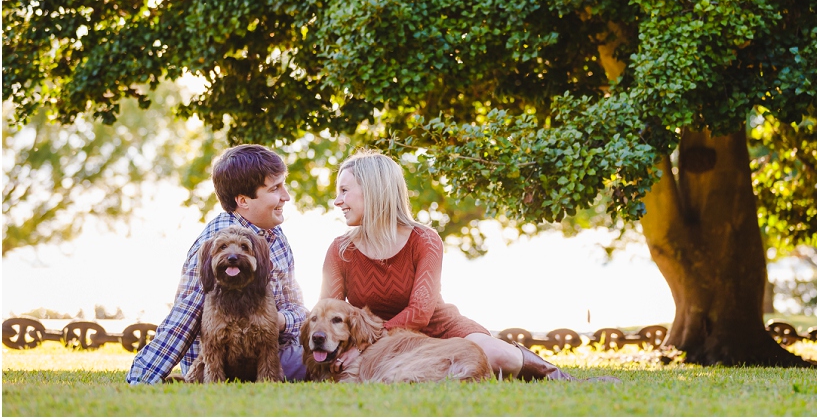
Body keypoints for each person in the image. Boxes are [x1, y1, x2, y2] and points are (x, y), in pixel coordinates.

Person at [321, 149, 619, 382]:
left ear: (373, 191)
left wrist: (364, 344)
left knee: (491, 354)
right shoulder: (340, 250)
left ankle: (559, 377)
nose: (338, 201)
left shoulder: (424, 239)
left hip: (438, 329)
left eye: (344, 191)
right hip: (378, 345)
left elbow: (420, 313)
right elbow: (324, 313)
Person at [127, 144, 309, 384]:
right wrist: (144, 376)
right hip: (218, 361)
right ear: (243, 200)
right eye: (276, 188)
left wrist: (278, 320)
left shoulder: (276, 238)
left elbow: (297, 309)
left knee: (331, 359)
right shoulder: (214, 242)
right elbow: (185, 317)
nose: (286, 196)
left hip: (270, 354)